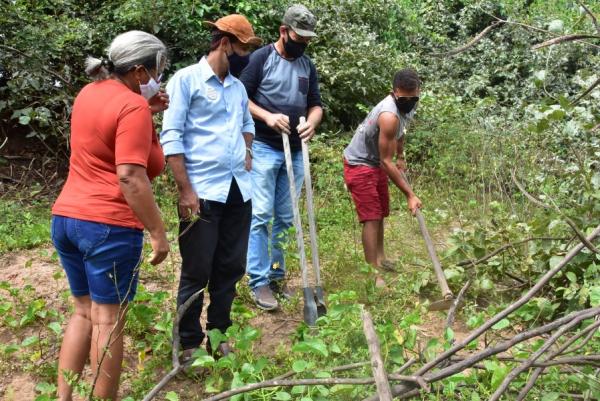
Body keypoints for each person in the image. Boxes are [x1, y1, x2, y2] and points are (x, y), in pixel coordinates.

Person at [51, 31, 170, 401]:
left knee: (83, 313)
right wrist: (158, 231)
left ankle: (63, 397)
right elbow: (130, 175)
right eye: (156, 71)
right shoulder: (131, 107)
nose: (158, 79)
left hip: (67, 218)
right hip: (107, 224)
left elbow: (104, 138)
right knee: (107, 321)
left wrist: (146, 111)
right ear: (138, 71)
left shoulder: (89, 92)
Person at [160, 14, 261, 359]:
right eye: (242, 48)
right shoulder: (186, 81)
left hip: (238, 191)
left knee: (230, 268)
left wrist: (246, 149)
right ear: (223, 43)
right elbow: (171, 137)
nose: (245, 56)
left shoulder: (238, 87)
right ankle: (187, 342)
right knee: (196, 270)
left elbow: (248, 124)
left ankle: (219, 336)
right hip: (201, 192)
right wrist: (185, 191)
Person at [240, 4, 323, 311]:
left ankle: (276, 276)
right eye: (298, 38)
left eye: (307, 40)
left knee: (286, 219)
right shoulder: (261, 58)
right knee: (261, 215)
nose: (302, 44)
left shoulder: (307, 65)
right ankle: (259, 281)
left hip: (296, 152)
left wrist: (312, 122)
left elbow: (316, 104)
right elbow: (241, 97)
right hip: (263, 146)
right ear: (283, 31)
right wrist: (267, 117)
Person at [343, 69, 423, 286]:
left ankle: (381, 258)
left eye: (413, 97)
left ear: (418, 92)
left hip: (377, 161)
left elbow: (401, 132)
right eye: (404, 98)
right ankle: (372, 273)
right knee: (371, 216)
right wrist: (410, 194)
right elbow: (384, 161)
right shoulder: (388, 115)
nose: (410, 102)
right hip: (359, 163)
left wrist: (401, 156)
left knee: (381, 213)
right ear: (394, 92)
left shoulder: (409, 104)